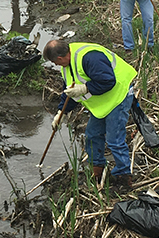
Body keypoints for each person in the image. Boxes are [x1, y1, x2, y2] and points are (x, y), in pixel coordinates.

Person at [44, 39, 137, 189]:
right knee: (92, 135)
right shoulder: (66, 66)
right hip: (103, 103)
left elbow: (108, 81)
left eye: (55, 62)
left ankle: (123, 178)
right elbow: (69, 91)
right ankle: (97, 172)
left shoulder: (89, 57)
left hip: (119, 96)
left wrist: (85, 89)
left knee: (114, 139)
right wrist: (62, 112)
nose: (55, 65)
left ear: (60, 58)